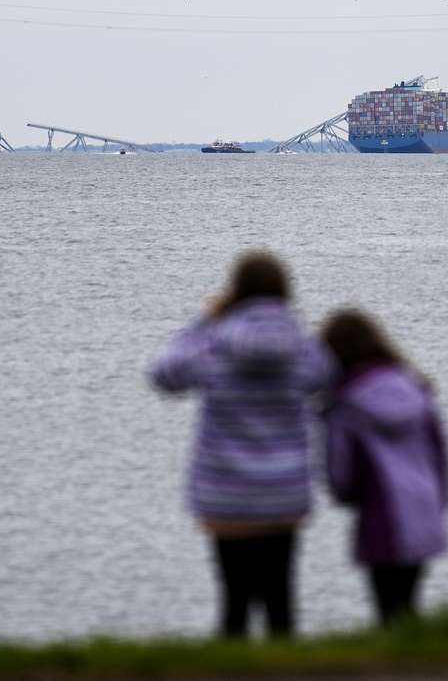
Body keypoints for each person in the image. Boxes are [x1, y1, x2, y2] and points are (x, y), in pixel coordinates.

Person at [150, 251, 330, 638]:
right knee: (281, 597)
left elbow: (164, 374)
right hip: (284, 491)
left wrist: (205, 322)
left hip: (227, 494)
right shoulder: (300, 349)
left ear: (236, 293)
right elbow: (326, 375)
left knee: (234, 600)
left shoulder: (215, 347)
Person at [320, 310, 448, 625]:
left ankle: (392, 664)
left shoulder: (346, 405)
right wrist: (442, 498)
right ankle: (416, 662)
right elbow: (440, 453)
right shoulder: (415, 389)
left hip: (382, 511)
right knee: (409, 599)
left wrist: (345, 494)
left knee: (386, 606)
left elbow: (342, 470)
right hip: (424, 506)